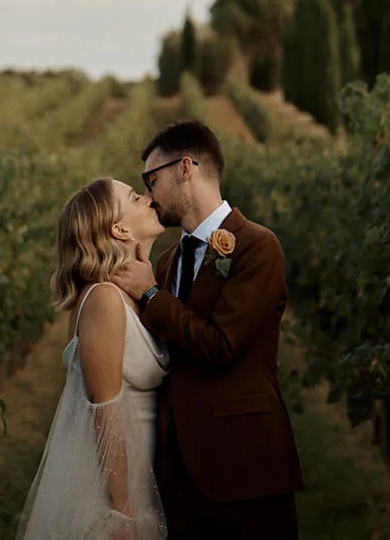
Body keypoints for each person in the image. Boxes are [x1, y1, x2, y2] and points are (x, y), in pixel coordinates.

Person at [109, 120, 303, 540]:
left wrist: (150, 296)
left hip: (245, 468)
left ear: (185, 168)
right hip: (177, 474)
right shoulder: (167, 261)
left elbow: (222, 345)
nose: (147, 196)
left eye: (151, 180)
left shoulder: (258, 246)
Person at [17, 177, 170, 540]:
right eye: (135, 196)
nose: (149, 197)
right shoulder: (104, 299)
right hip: (108, 487)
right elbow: (105, 407)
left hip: (140, 475)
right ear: (118, 228)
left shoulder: (138, 291)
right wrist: (122, 510)